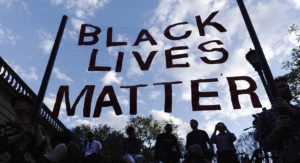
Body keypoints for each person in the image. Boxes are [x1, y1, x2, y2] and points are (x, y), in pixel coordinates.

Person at [254, 76, 300, 163]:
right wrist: (277, 129)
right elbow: (265, 146)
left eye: (287, 86)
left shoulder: (297, 110)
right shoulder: (265, 116)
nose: (287, 88)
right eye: (281, 87)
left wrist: (290, 110)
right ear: (272, 92)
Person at [0, 95, 47, 163]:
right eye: (14, 102)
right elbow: (2, 142)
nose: (16, 102)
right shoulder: (6, 125)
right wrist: (20, 135)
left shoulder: (38, 128)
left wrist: (36, 125)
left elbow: (42, 148)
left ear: (29, 107)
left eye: (21, 100)